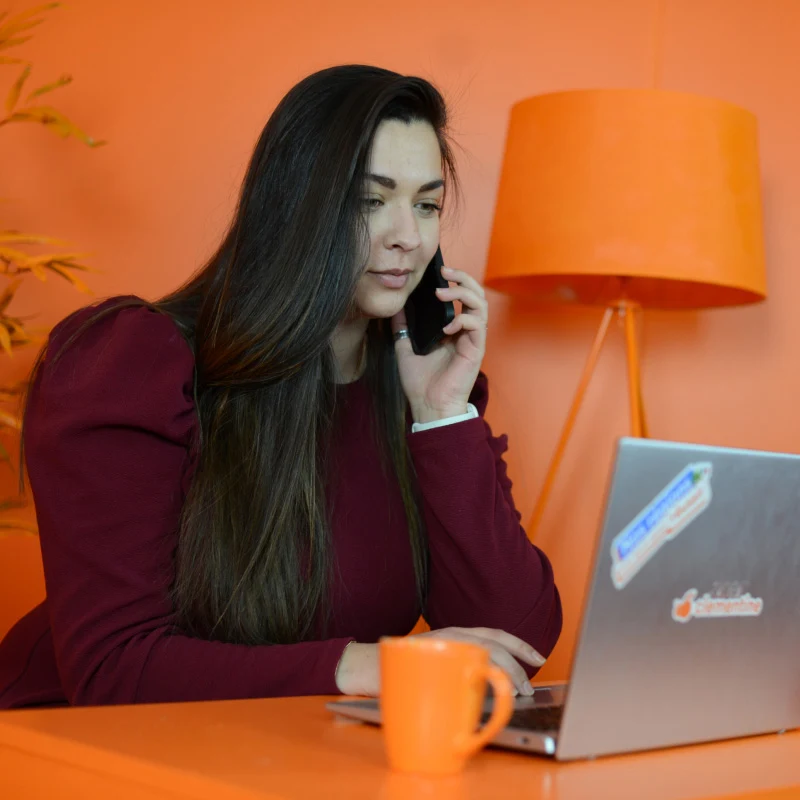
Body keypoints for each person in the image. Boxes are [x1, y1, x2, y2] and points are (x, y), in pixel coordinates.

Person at [0, 65, 561, 708]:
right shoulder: (133, 364)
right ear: (293, 204)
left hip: (280, 757)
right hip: (72, 751)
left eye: (426, 205)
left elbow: (518, 642)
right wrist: (377, 667)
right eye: (369, 201)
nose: (407, 236)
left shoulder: (421, 387)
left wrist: (441, 416)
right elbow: (112, 671)